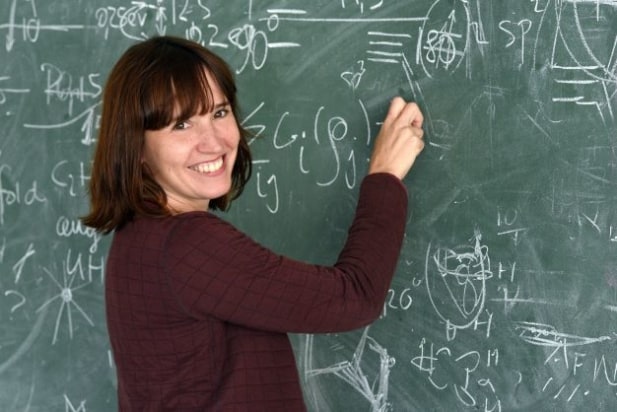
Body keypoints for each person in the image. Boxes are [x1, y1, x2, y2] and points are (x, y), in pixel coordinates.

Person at [82, 35, 424, 411]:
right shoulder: (187, 244)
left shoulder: (137, 236)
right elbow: (355, 298)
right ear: (138, 149)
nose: (212, 142)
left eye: (219, 112)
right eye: (181, 125)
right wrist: (385, 175)